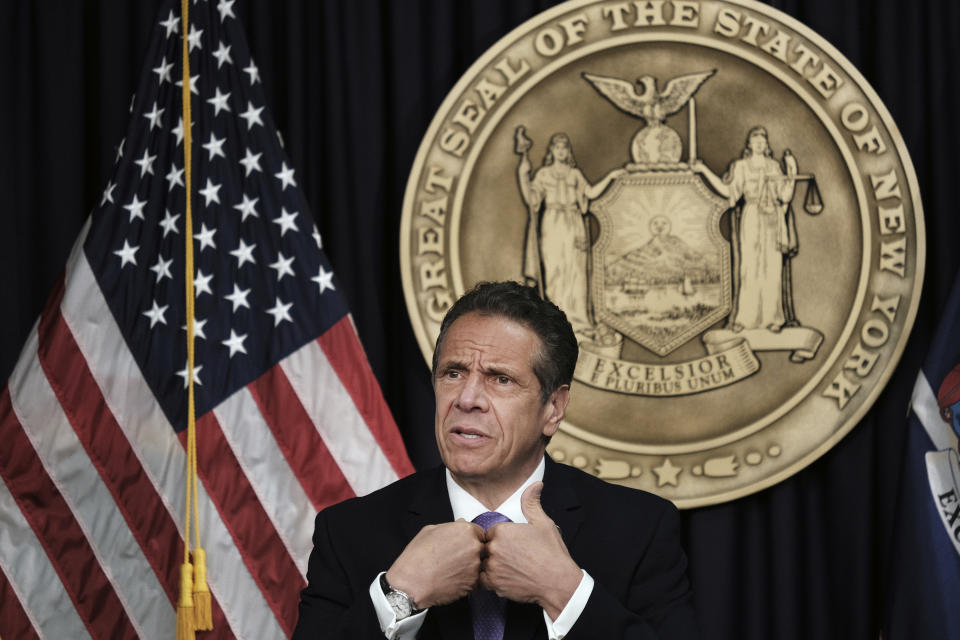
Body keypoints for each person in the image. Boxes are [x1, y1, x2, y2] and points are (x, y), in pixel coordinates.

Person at [292, 281, 699, 639]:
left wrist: (565, 592)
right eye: (453, 373)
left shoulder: (639, 530)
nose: (466, 399)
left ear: (553, 408)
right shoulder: (348, 532)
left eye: (500, 379)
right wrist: (399, 596)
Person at [516, 131, 625, 340]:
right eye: (557, 148)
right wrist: (523, 174)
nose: (561, 151)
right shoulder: (544, 175)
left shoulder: (574, 175)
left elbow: (590, 193)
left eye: (564, 148)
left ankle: (579, 322)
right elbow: (532, 199)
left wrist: (611, 177)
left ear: (568, 151)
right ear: (552, 151)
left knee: (576, 274)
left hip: (574, 225)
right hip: (553, 225)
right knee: (555, 273)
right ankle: (557, 322)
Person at [692, 126, 797, 332]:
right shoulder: (741, 167)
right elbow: (729, 192)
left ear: (766, 145)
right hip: (752, 217)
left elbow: (784, 196)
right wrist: (703, 170)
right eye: (755, 139)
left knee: (772, 268)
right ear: (749, 144)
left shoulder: (774, 167)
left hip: (773, 219)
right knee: (750, 268)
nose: (759, 143)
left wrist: (791, 172)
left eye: (763, 140)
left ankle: (773, 319)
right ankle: (745, 319)